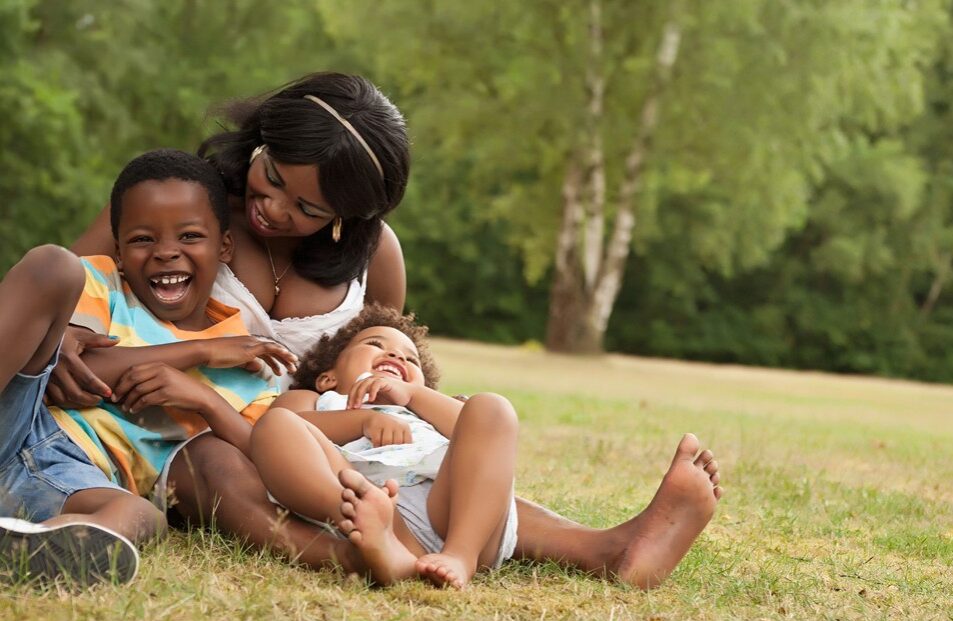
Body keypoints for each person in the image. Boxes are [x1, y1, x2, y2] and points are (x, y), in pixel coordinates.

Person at [55, 72, 723, 589]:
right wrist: (65, 343)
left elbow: (391, 366)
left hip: (322, 443)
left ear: (347, 217)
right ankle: (357, 554)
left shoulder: (376, 259)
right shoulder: (186, 203)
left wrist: (400, 419)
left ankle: (611, 549)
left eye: (306, 206)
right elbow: (75, 284)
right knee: (217, 461)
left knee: (423, 466)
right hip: (185, 436)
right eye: (270, 174)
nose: (270, 207)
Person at [0, 149, 295, 586]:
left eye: (190, 236)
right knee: (53, 264)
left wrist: (207, 401)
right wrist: (198, 353)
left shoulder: (249, 371)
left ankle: (32, 547)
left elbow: (265, 456)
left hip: (76, 477)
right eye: (142, 240)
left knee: (142, 517)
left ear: (225, 246)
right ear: (118, 250)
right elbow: (82, 369)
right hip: (22, 417)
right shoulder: (104, 284)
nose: (166, 253)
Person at [250, 305, 518, 589]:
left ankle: (460, 556)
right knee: (276, 423)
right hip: (371, 508)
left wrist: (414, 395)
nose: (396, 355)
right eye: (375, 344)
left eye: (411, 359)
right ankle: (389, 546)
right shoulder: (320, 399)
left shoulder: (425, 407)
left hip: (455, 514)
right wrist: (363, 419)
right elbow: (293, 424)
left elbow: (485, 433)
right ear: (329, 377)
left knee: (492, 406)